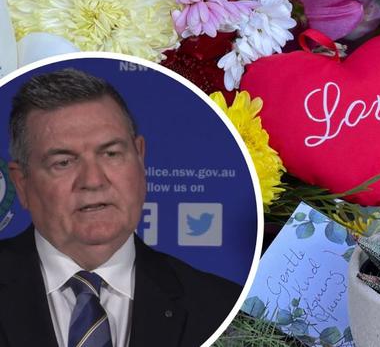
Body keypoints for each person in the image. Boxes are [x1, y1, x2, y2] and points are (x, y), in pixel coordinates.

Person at [0, 68, 242, 347]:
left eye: (111, 154)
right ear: (21, 183)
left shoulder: (224, 309)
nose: (93, 180)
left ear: (140, 158)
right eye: (64, 162)